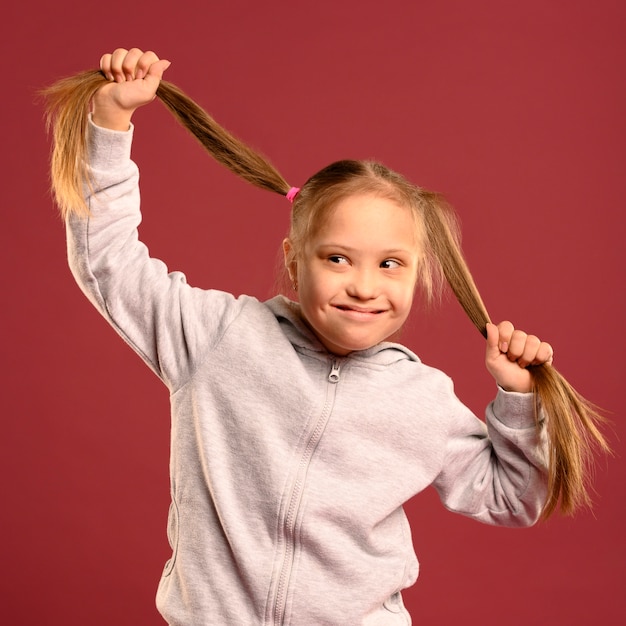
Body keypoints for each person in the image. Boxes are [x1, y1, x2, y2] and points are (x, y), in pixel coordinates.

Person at [46, 48, 603, 625]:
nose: (364, 286)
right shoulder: (218, 339)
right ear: (294, 261)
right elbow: (108, 262)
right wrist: (110, 123)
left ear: (418, 271)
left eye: (391, 264)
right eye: (338, 258)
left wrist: (518, 402)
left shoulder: (421, 397)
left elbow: (513, 498)